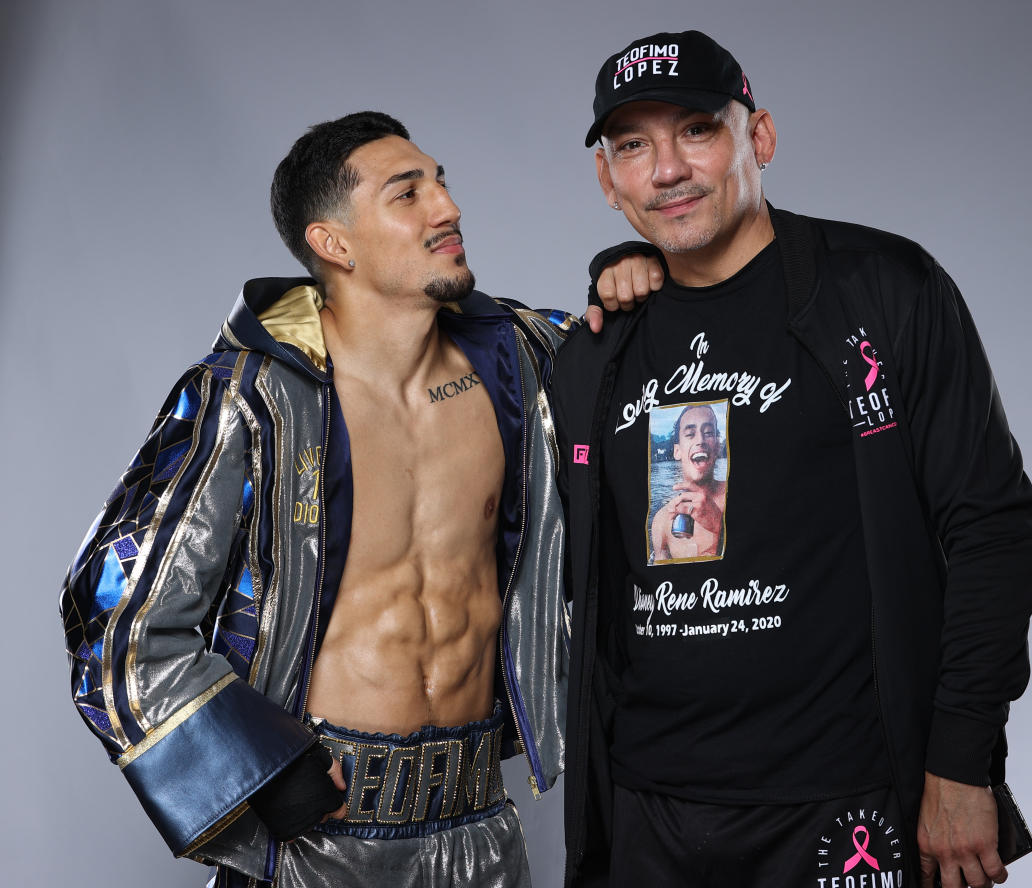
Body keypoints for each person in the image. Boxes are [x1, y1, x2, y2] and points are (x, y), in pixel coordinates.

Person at [59, 110, 652, 887]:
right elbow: (113, 618)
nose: (448, 207)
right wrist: (257, 770)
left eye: (442, 183)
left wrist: (638, 279)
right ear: (332, 243)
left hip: (481, 829)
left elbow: (671, 386)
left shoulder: (526, 365)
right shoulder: (248, 397)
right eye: (408, 194)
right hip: (318, 838)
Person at [551, 31, 1032, 888]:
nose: (667, 169)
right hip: (648, 807)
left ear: (760, 139)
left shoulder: (885, 288)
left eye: (697, 131)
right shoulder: (595, 349)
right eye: (634, 145)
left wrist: (962, 762)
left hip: (843, 798)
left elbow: (995, 531)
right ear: (608, 179)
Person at [648, 402, 727, 563]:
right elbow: (658, 580)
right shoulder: (662, 521)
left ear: (718, 446)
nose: (700, 440)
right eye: (690, 434)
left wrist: (719, 526)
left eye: (709, 433)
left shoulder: (740, 495)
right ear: (677, 451)